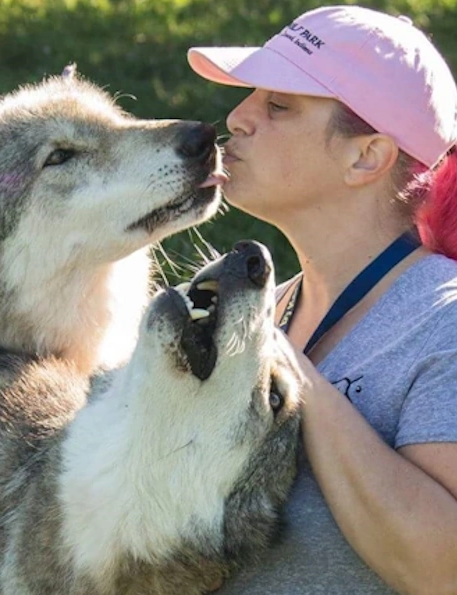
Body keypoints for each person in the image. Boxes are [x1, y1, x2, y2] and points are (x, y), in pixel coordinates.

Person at [187, 5, 457, 594]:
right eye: (251, 97)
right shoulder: (271, 308)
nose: (237, 117)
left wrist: (283, 365)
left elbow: (443, 568)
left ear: (367, 156)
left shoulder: (447, 324)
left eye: (278, 106)